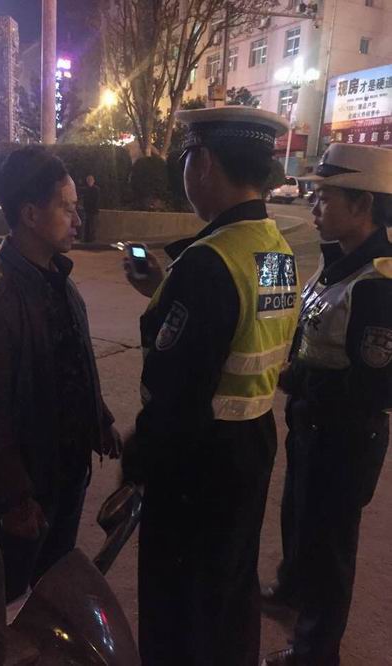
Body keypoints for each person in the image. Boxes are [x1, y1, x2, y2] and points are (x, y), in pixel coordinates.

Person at [121, 106, 300, 666]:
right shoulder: (273, 247)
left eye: (187, 157)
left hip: (199, 462)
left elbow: (177, 395)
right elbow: (245, 329)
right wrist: (163, 290)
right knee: (229, 587)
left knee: (181, 602)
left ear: (205, 164)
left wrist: (138, 459)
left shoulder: (207, 262)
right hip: (252, 443)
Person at [0, 146, 121, 602]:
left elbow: (70, 363)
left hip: (67, 473)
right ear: (29, 214)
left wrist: (98, 419)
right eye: (67, 208)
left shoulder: (58, 279)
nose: (78, 220)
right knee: (5, 599)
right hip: (26, 492)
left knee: (52, 589)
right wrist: (14, 498)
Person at [261, 143, 392, 666]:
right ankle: (292, 590)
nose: (314, 207)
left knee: (330, 546)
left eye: (325, 197)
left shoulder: (378, 284)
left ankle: (315, 653)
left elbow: (375, 389)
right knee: (299, 518)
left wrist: (302, 382)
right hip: (312, 426)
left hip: (344, 438)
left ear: (363, 204)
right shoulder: (336, 261)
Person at [82, 174, 100, 243]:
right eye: (88, 180)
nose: (89, 182)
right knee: (86, 225)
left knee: (92, 226)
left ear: (93, 181)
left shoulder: (96, 189)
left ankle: (92, 240)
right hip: (87, 210)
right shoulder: (86, 189)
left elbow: (95, 200)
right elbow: (85, 199)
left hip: (93, 211)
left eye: (90, 180)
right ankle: (86, 239)